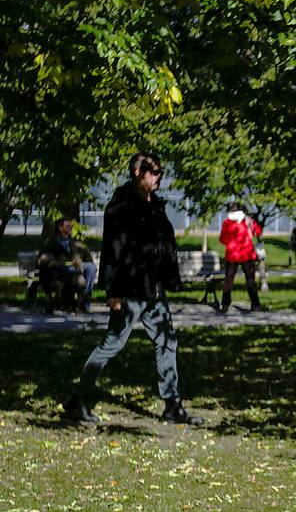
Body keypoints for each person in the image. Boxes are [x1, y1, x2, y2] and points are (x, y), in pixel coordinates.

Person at [62, 153, 204, 426]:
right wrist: (112, 291)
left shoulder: (155, 205)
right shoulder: (121, 206)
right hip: (129, 290)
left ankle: (173, 405)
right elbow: (113, 250)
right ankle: (76, 400)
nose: (158, 176)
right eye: (154, 172)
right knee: (113, 344)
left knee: (167, 341)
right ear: (138, 172)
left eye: (160, 172)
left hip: (154, 289)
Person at [37, 218, 96, 312]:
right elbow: (44, 261)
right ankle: (78, 302)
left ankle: (84, 298)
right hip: (59, 270)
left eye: (71, 227)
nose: (71, 229)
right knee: (72, 271)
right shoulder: (51, 243)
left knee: (91, 267)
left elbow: (87, 258)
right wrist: (72, 267)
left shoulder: (75, 243)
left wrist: (80, 262)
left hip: (75, 267)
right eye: (68, 226)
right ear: (60, 228)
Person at [218, 203, 264, 312]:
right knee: (250, 280)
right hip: (247, 254)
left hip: (232, 255)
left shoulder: (227, 223)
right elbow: (258, 231)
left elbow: (222, 239)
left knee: (228, 281)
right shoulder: (248, 220)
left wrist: (230, 243)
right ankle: (255, 304)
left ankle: (225, 304)